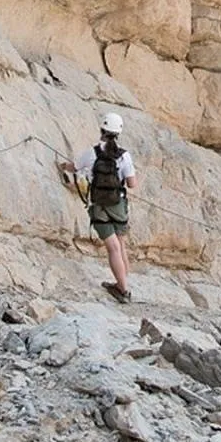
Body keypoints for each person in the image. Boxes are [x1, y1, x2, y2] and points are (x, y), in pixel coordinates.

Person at [64, 113, 138, 303]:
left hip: (98, 206)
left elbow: (73, 167)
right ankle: (124, 284)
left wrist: (62, 165)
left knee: (112, 248)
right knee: (120, 244)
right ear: (119, 132)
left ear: (102, 130)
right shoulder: (124, 156)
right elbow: (132, 183)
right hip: (118, 204)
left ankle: (122, 289)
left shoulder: (92, 153)